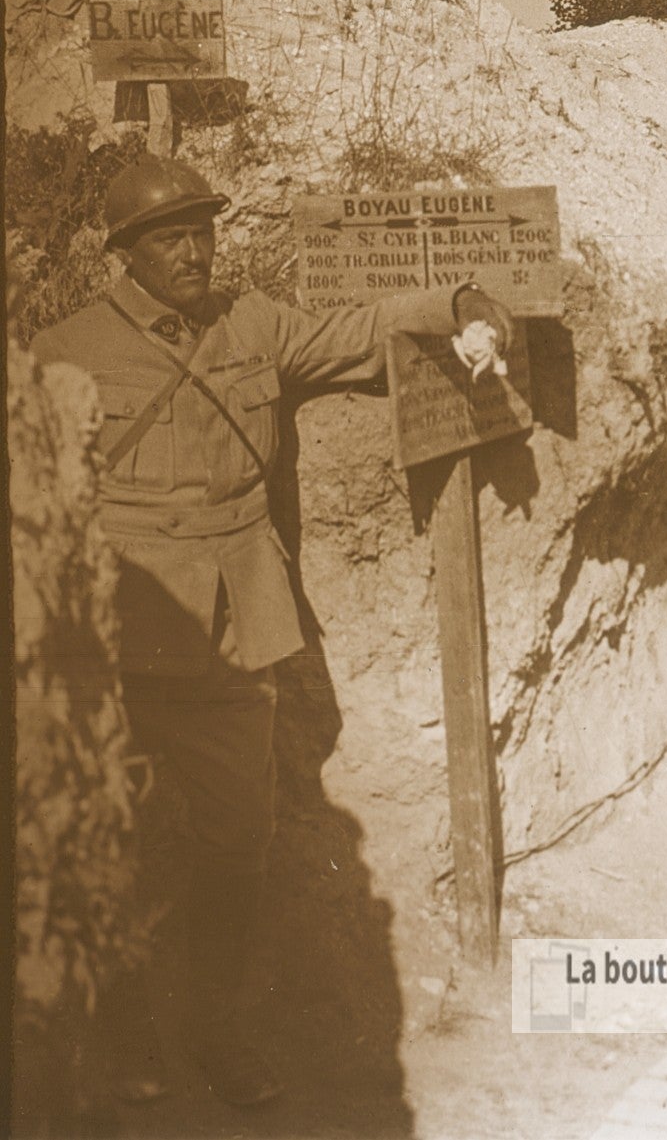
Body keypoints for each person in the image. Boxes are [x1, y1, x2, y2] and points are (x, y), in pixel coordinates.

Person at [30, 155, 514, 1110]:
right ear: (125, 253)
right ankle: (123, 1025)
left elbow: (360, 330)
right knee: (100, 840)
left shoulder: (253, 323)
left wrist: (459, 300)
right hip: (115, 635)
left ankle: (215, 1019)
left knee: (238, 841)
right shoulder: (63, 349)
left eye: (203, 230)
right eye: (170, 237)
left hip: (233, 630)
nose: (194, 251)